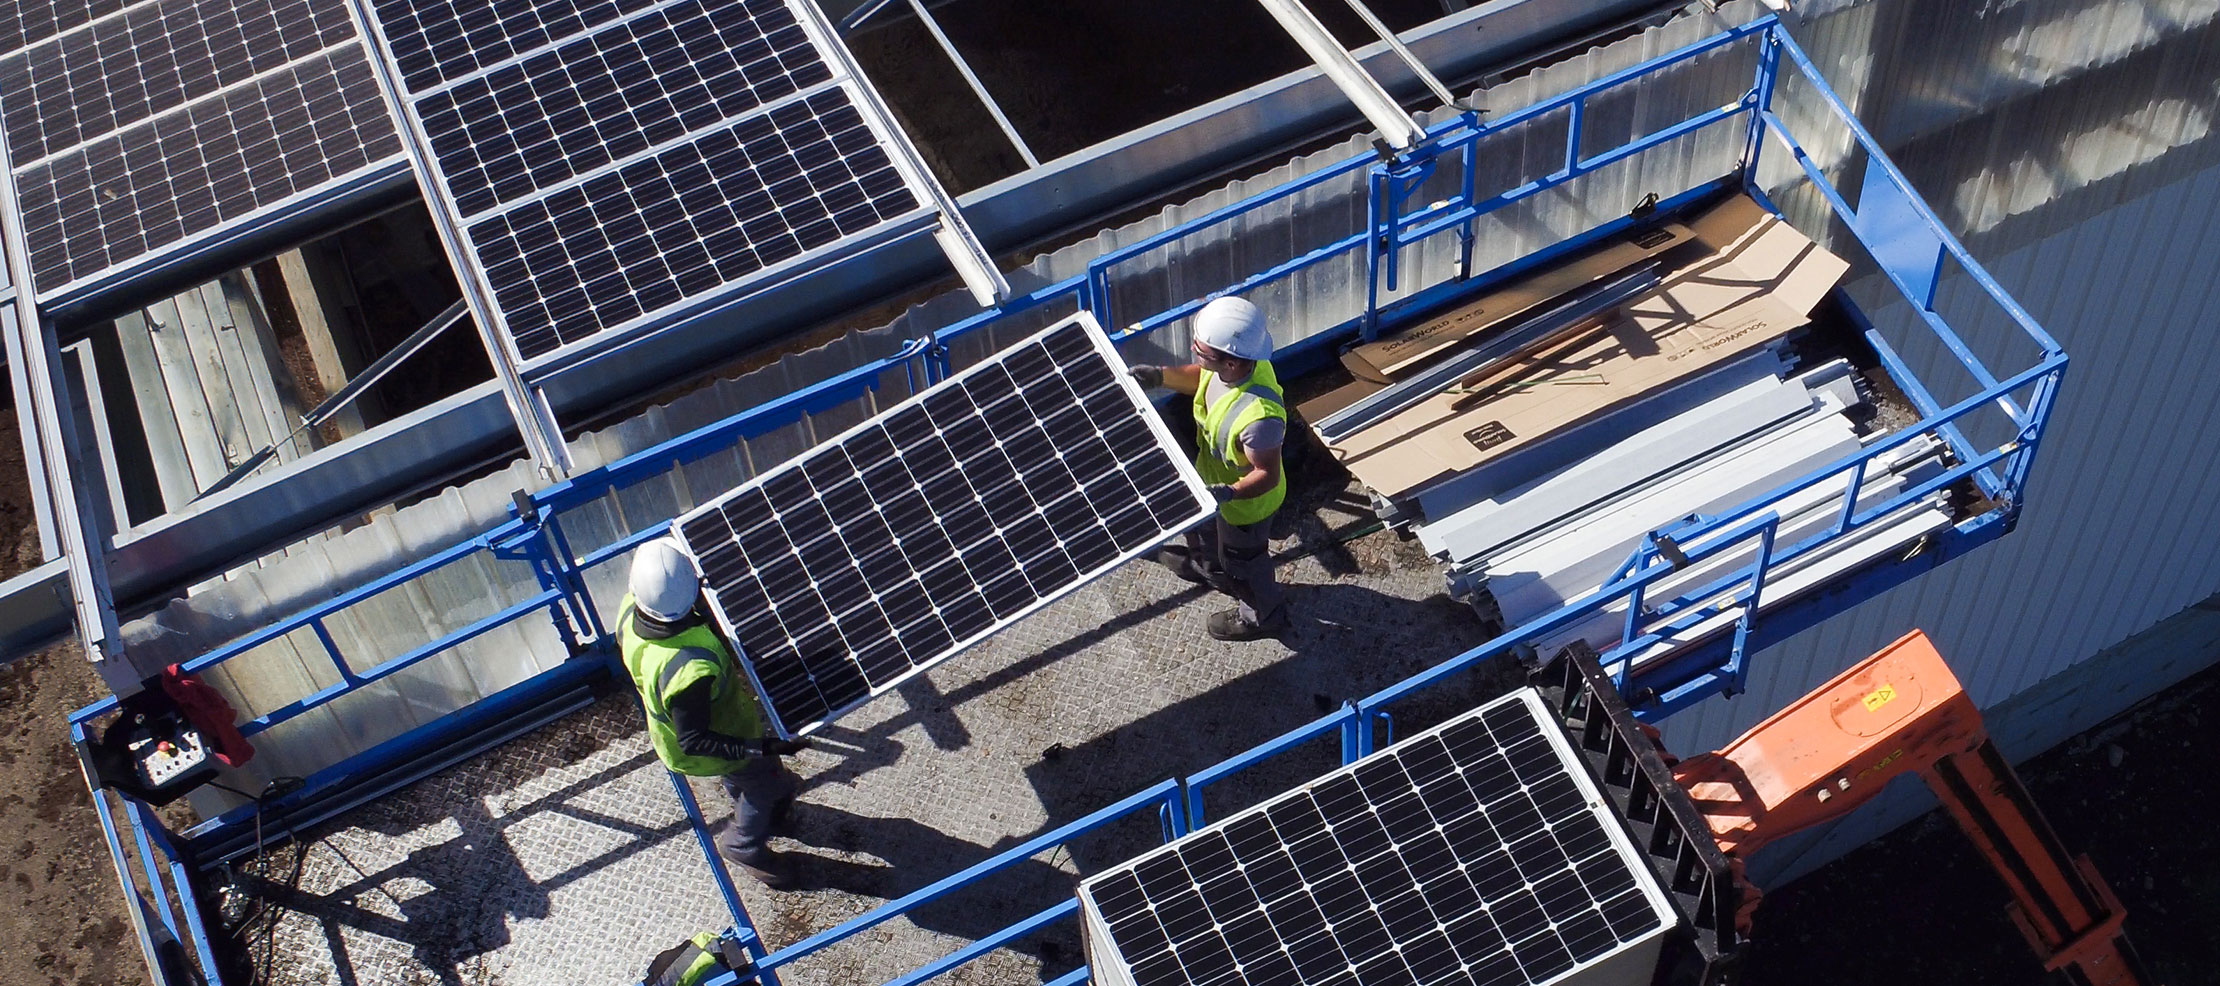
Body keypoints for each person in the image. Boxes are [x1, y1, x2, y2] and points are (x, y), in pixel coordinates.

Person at [620, 537, 809, 888]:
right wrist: (765, 747)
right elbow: (696, 741)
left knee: (748, 781)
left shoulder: (631, 608)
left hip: (680, 732)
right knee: (766, 783)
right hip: (711, 743)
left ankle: (761, 807)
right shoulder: (689, 667)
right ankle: (743, 845)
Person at [1128, 296, 1292, 641]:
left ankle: (1263, 617)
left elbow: (1266, 474)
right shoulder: (1233, 367)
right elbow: (1202, 377)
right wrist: (1160, 377)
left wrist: (1229, 493)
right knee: (1211, 542)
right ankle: (1211, 568)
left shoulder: (1259, 419)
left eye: (1202, 351)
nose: (1194, 352)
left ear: (1231, 362)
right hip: (1212, 485)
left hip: (1244, 509)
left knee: (1245, 566)